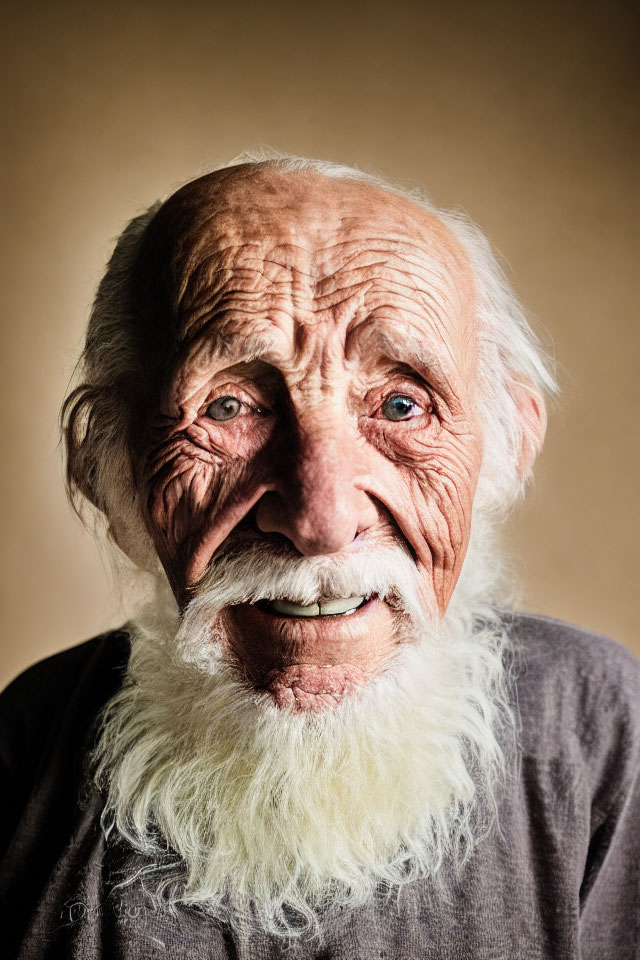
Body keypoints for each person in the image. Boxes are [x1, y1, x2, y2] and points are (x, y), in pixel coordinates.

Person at [1, 153, 639, 960]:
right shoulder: (26, 742)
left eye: (401, 405)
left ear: (508, 441)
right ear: (106, 461)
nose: (322, 518)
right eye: (230, 406)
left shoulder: (599, 732)